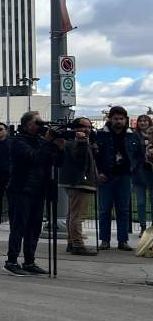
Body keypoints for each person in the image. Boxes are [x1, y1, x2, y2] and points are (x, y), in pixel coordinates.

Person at [5, 110, 64, 275]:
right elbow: (34, 158)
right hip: (21, 189)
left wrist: (58, 147)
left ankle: (29, 261)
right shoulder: (18, 141)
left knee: (34, 229)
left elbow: (57, 162)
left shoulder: (40, 141)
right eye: (38, 123)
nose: (41, 126)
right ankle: (11, 261)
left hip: (39, 190)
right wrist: (47, 141)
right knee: (19, 227)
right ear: (28, 125)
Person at [94, 105, 142, 251]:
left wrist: (133, 170)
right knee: (104, 210)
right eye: (116, 118)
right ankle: (105, 240)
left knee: (123, 210)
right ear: (110, 119)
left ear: (125, 119)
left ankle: (123, 240)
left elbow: (139, 156)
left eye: (121, 118)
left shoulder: (132, 135)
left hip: (125, 176)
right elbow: (95, 156)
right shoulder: (101, 134)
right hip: (105, 176)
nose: (119, 121)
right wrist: (98, 172)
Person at [60, 117, 98, 257]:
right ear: (76, 128)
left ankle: (72, 242)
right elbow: (79, 157)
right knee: (78, 215)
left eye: (89, 127)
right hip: (79, 182)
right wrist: (82, 141)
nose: (87, 130)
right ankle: (77, 244)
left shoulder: (83, 141)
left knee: (72, 214)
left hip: (78, 181)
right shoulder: (73, 142)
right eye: (83, 126)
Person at [134, 113, 152, 234]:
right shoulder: (134, 136)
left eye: (145, 120)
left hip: (150, 172)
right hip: (138, 172)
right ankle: (143, 226)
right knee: (140, 202)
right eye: (141, 121)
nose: (143, 122)